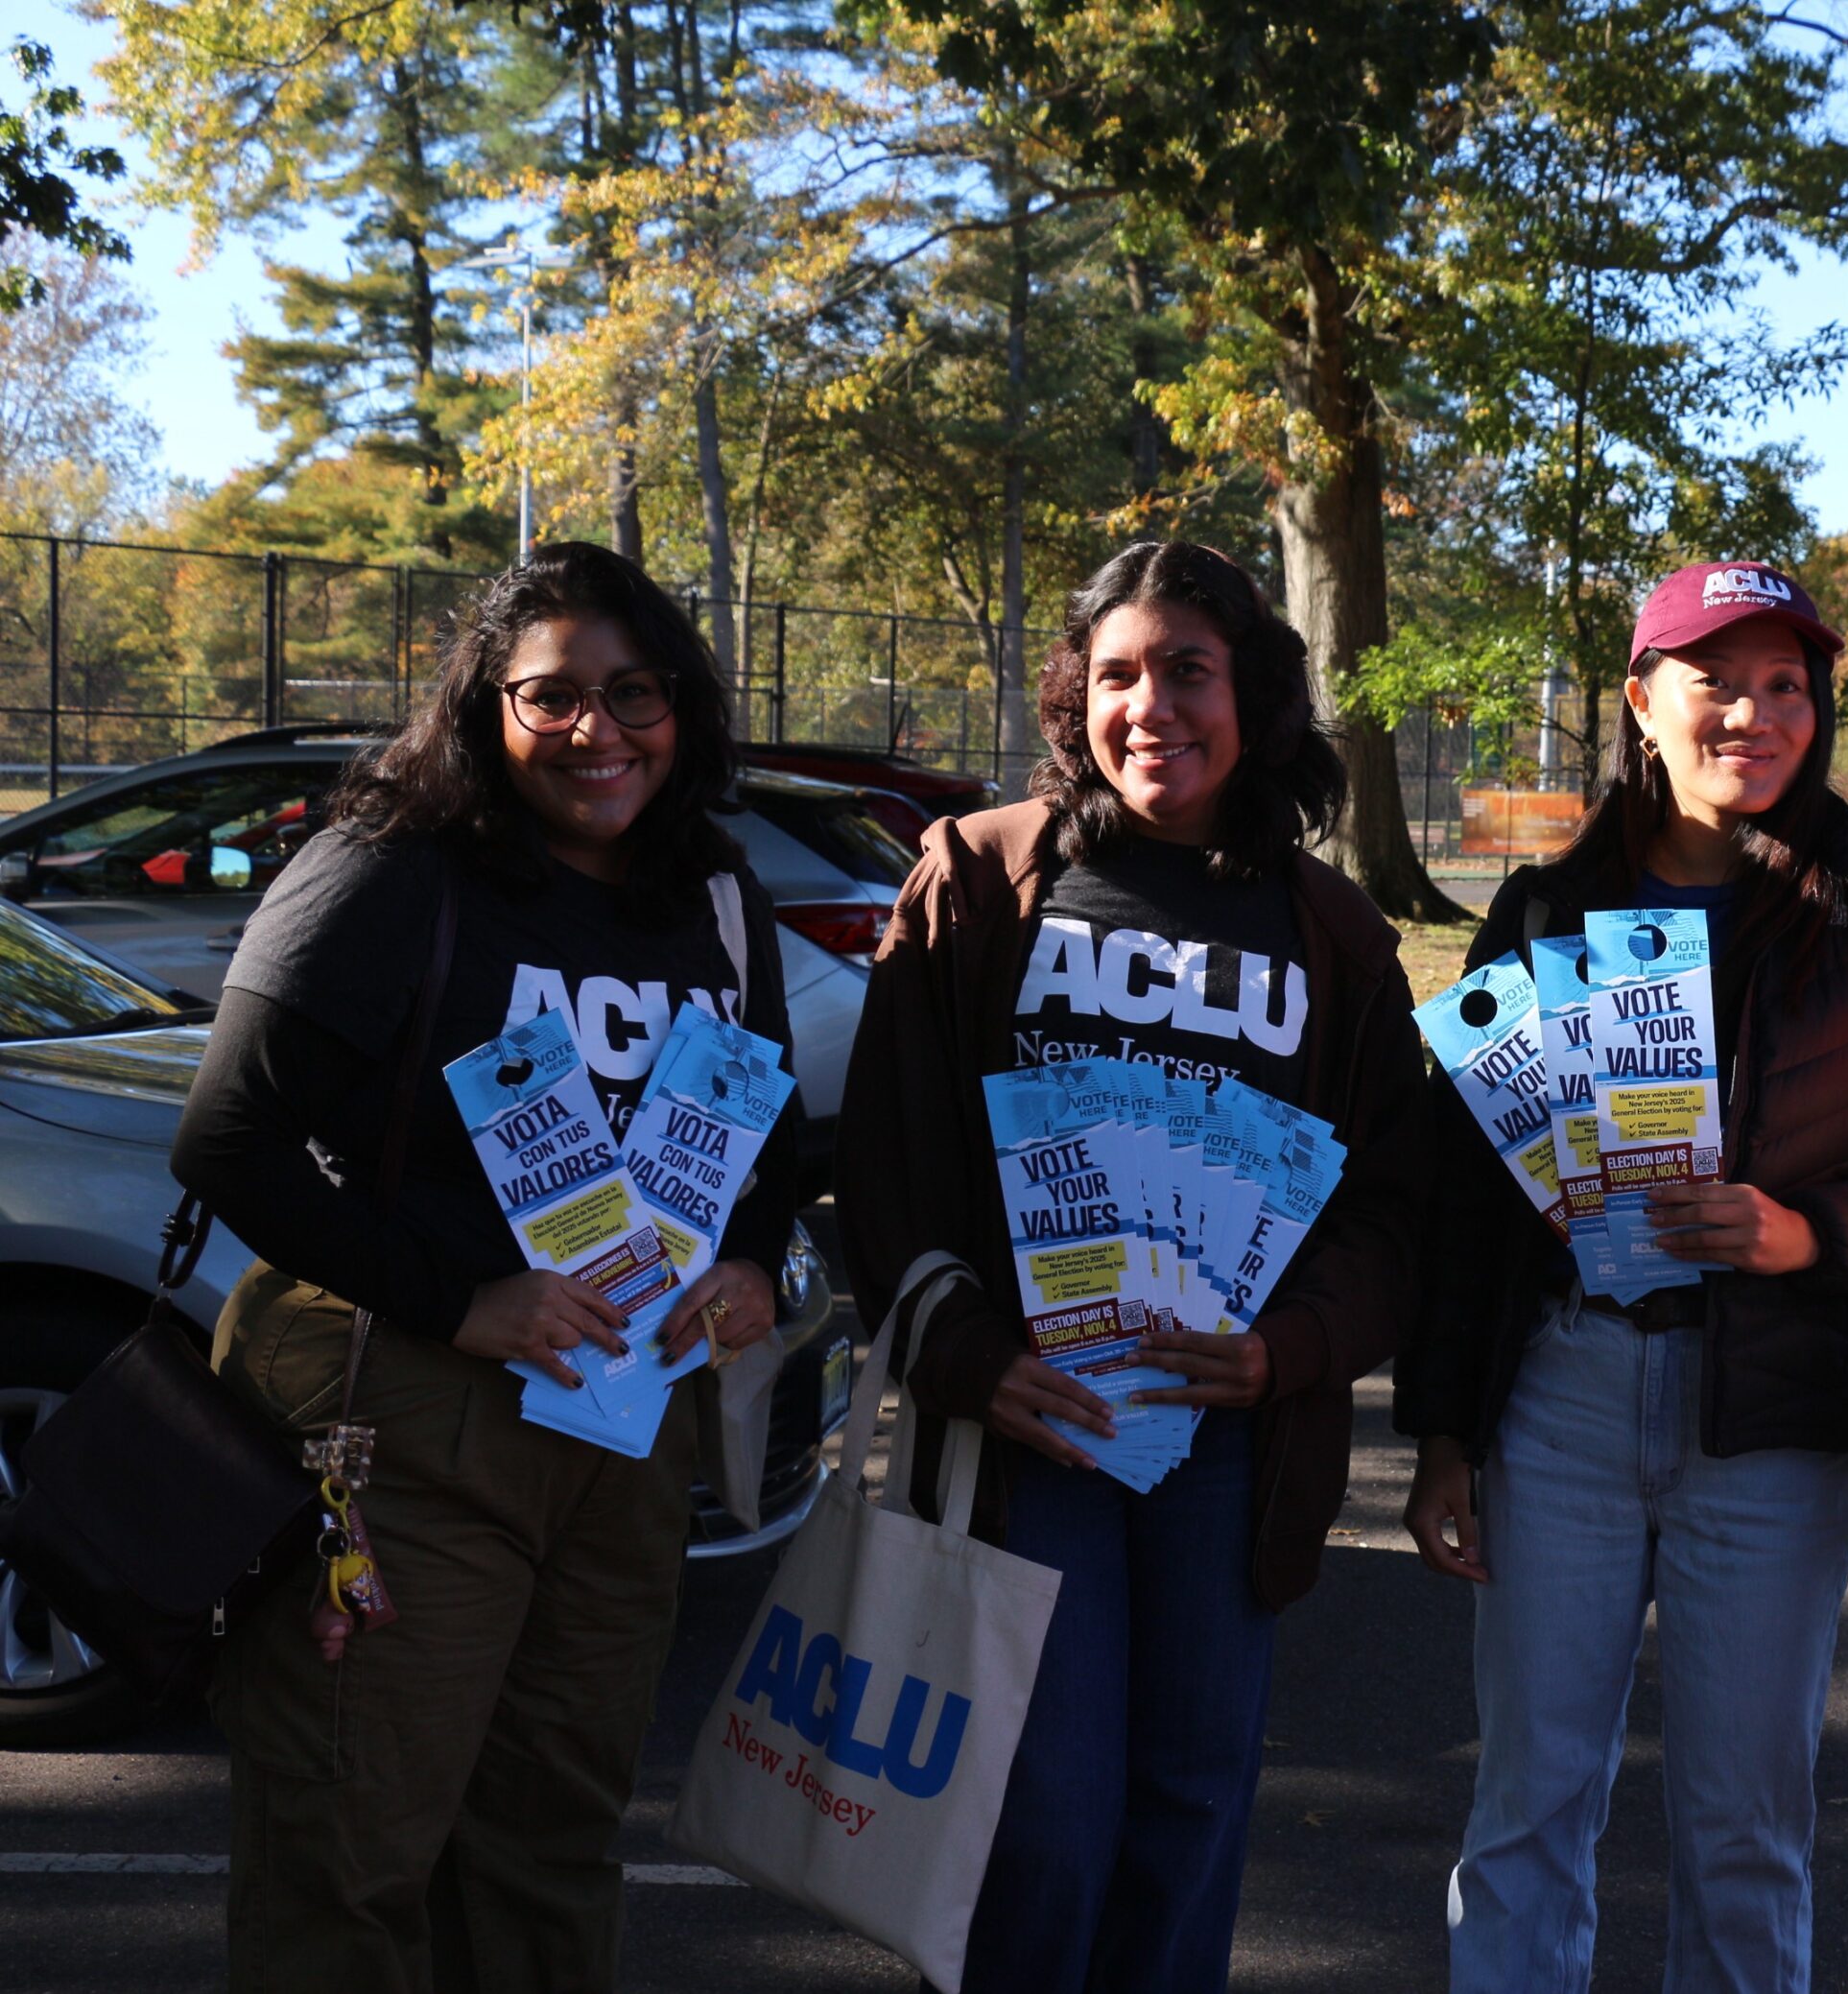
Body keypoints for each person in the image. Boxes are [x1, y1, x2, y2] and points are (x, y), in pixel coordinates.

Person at [171, 541, 799, 1993]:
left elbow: (769, 1133)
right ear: (486, 708)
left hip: (622, 1435)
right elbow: (227, 1140)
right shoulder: (391, 870)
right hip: (408, 1420)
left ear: (683, 705)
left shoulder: (710, 890)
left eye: (633, 691)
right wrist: (466, 1301)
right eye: (552, 697)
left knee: (550, 1845)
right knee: (349, 1856)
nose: (600, 730)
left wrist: (753, 1263)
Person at [835, 539, 1427, 1994]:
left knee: (1186, 1817)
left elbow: (1393, 1216)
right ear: (1073, 699)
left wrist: (1286, 1351)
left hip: (1227, 1449)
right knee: (1038, 1823)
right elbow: (888, 1161)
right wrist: (974, 1355)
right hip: (1030, 1431)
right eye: (1116, 673)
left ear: (1258, 697)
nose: (1150, 703)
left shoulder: (1335, 933)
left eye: (1188, 668)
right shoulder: (982, 876)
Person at [1398, 559, 1848, 1994]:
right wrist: (1444, 1433)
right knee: (1531, 1806)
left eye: (1786, 682)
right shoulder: (1544, 912)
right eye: (1716, 677)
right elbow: (1462, 1205)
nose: (1755, 710)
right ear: (1641, 704)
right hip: (1568, 1396)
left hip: (1772, 1414)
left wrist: (1805, 1234)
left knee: (1747, 1829)